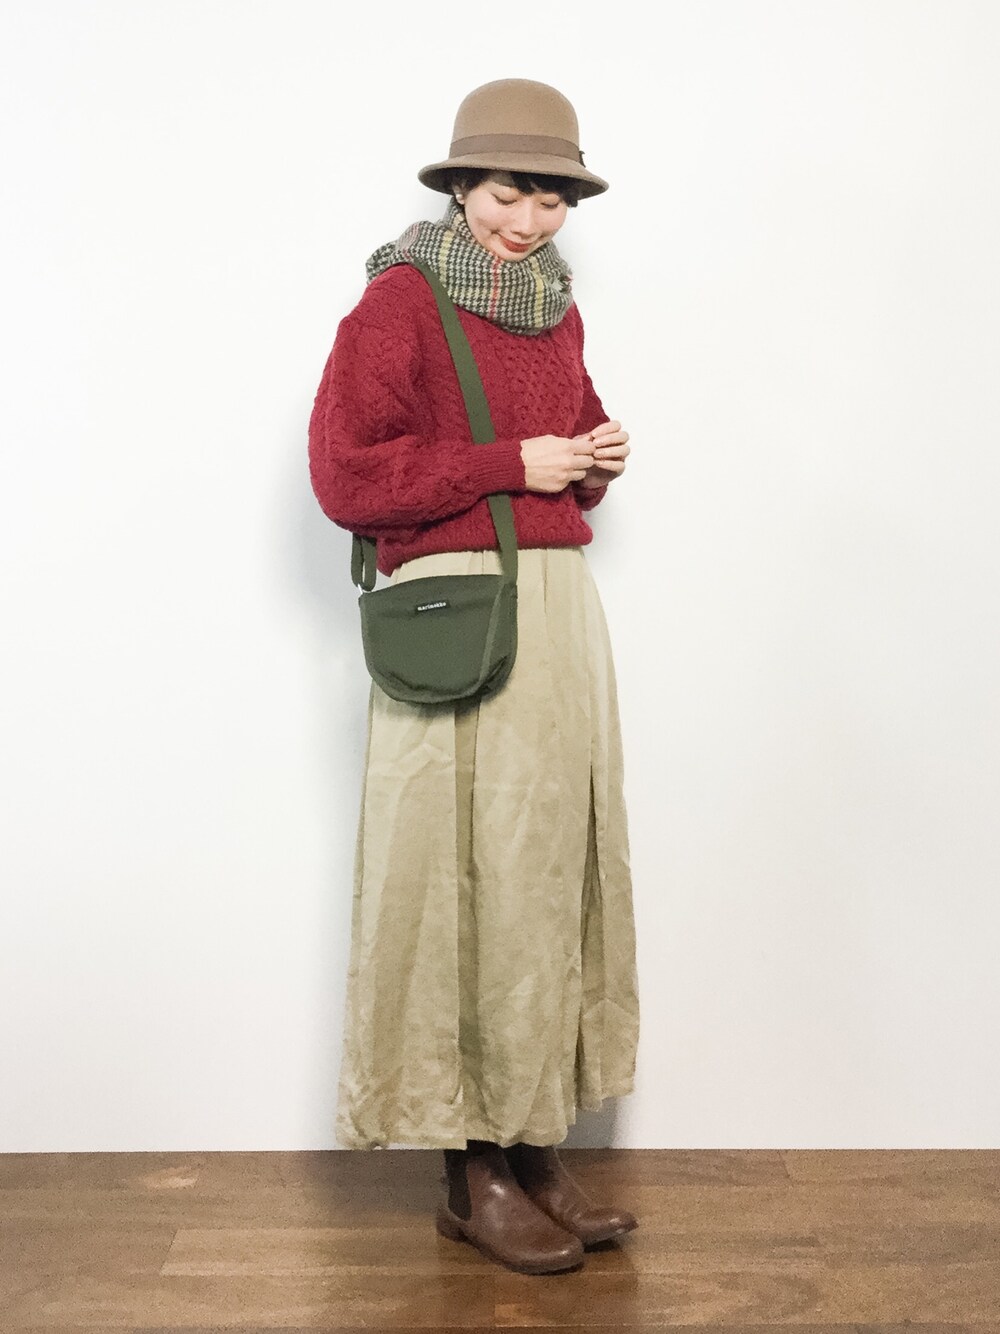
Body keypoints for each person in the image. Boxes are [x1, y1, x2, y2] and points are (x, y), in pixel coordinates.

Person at [308, 78, 640, 1276]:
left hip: (555, 613)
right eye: (508, 192)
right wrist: (514, 462)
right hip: (458, 614)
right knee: (457, 878)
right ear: (459, 186)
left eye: (551, 200)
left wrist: (592, 458)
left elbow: (567, 437)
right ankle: (469, 1166)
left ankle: (531, 1142)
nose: (528, 220)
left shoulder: (553, 307)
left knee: (540, 873)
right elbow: (347, 474)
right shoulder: (399, 300)